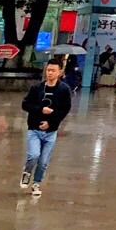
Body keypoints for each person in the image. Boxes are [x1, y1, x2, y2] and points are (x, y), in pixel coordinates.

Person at [19, 59, 73, 197]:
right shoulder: (37, 88)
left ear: (60, 72)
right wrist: (40, 110)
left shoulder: (64, 90)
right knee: (34, 155)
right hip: (34, 129)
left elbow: (64, 109)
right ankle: (27, 172)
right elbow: (25, 104)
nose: (50, 73)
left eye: (53, 70)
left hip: (50, 132)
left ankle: (36, 183)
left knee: (43, 161)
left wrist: (51, 123)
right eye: (48, 70)